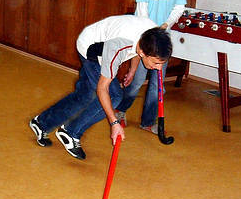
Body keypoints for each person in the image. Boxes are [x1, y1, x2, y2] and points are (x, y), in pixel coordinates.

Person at [29, 14, 172, 160]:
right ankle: (71, 132)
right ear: (143, 52)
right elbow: (102, 88)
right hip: (91, 49)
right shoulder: (119, 45)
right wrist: (114, 122)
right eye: (156, 63)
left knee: (84, 96)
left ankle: (41, 123)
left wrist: (132, 70)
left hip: (103, 40)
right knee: (114, 95)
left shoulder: (153, 35)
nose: (159, 68)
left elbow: (138, 50)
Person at [115, 0, 186, 134]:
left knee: (158, 84)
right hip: (145, 39)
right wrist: (151, 32)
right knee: (136, 81)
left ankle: (148, 121)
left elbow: (179, 7)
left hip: (163, 41)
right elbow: (142, 10)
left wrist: (166, 24)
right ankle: (121, 109)